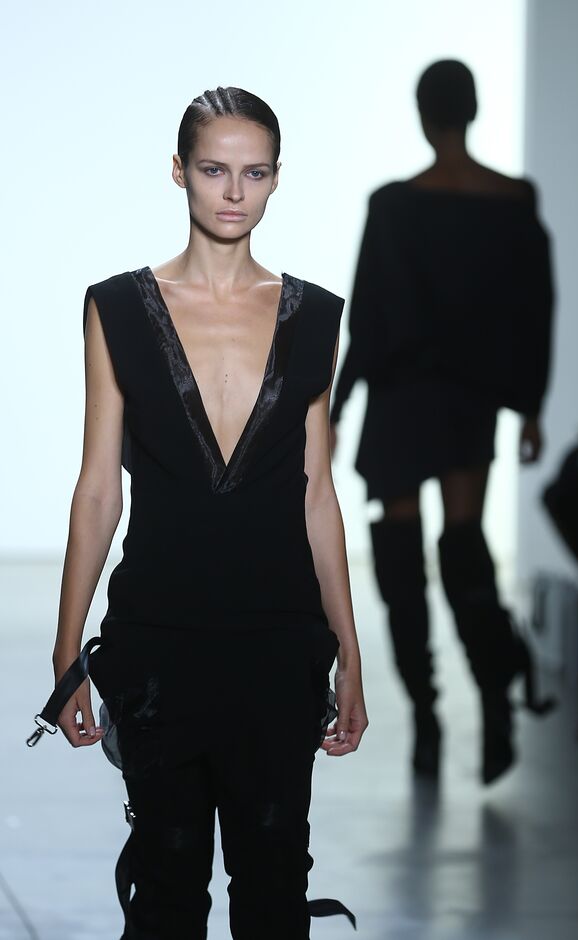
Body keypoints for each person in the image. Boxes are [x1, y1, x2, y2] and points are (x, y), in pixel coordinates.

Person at [49, 87, 368, 939]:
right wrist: (67, 647)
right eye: (214, 170)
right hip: (158, 644)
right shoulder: (116, 308)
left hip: (279, 644)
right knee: (165, 893)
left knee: (273, 894)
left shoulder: (315, 317)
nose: (234, 192)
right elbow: (98, 488)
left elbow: (317, 492)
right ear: (179, 172)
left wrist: (351, 654)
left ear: (276, 179)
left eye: (254, 173)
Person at [330, 60, 553, 786]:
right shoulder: (513, 202)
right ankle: (496, 702)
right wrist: (531, 408)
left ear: (424, 115)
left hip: (400, 401)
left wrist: (337, 408)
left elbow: (367, 317)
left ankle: (426, 717)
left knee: (401, 563)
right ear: (474, 110)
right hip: (467, 402)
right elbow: (535, 311)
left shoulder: (393, 206)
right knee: (463, 551)